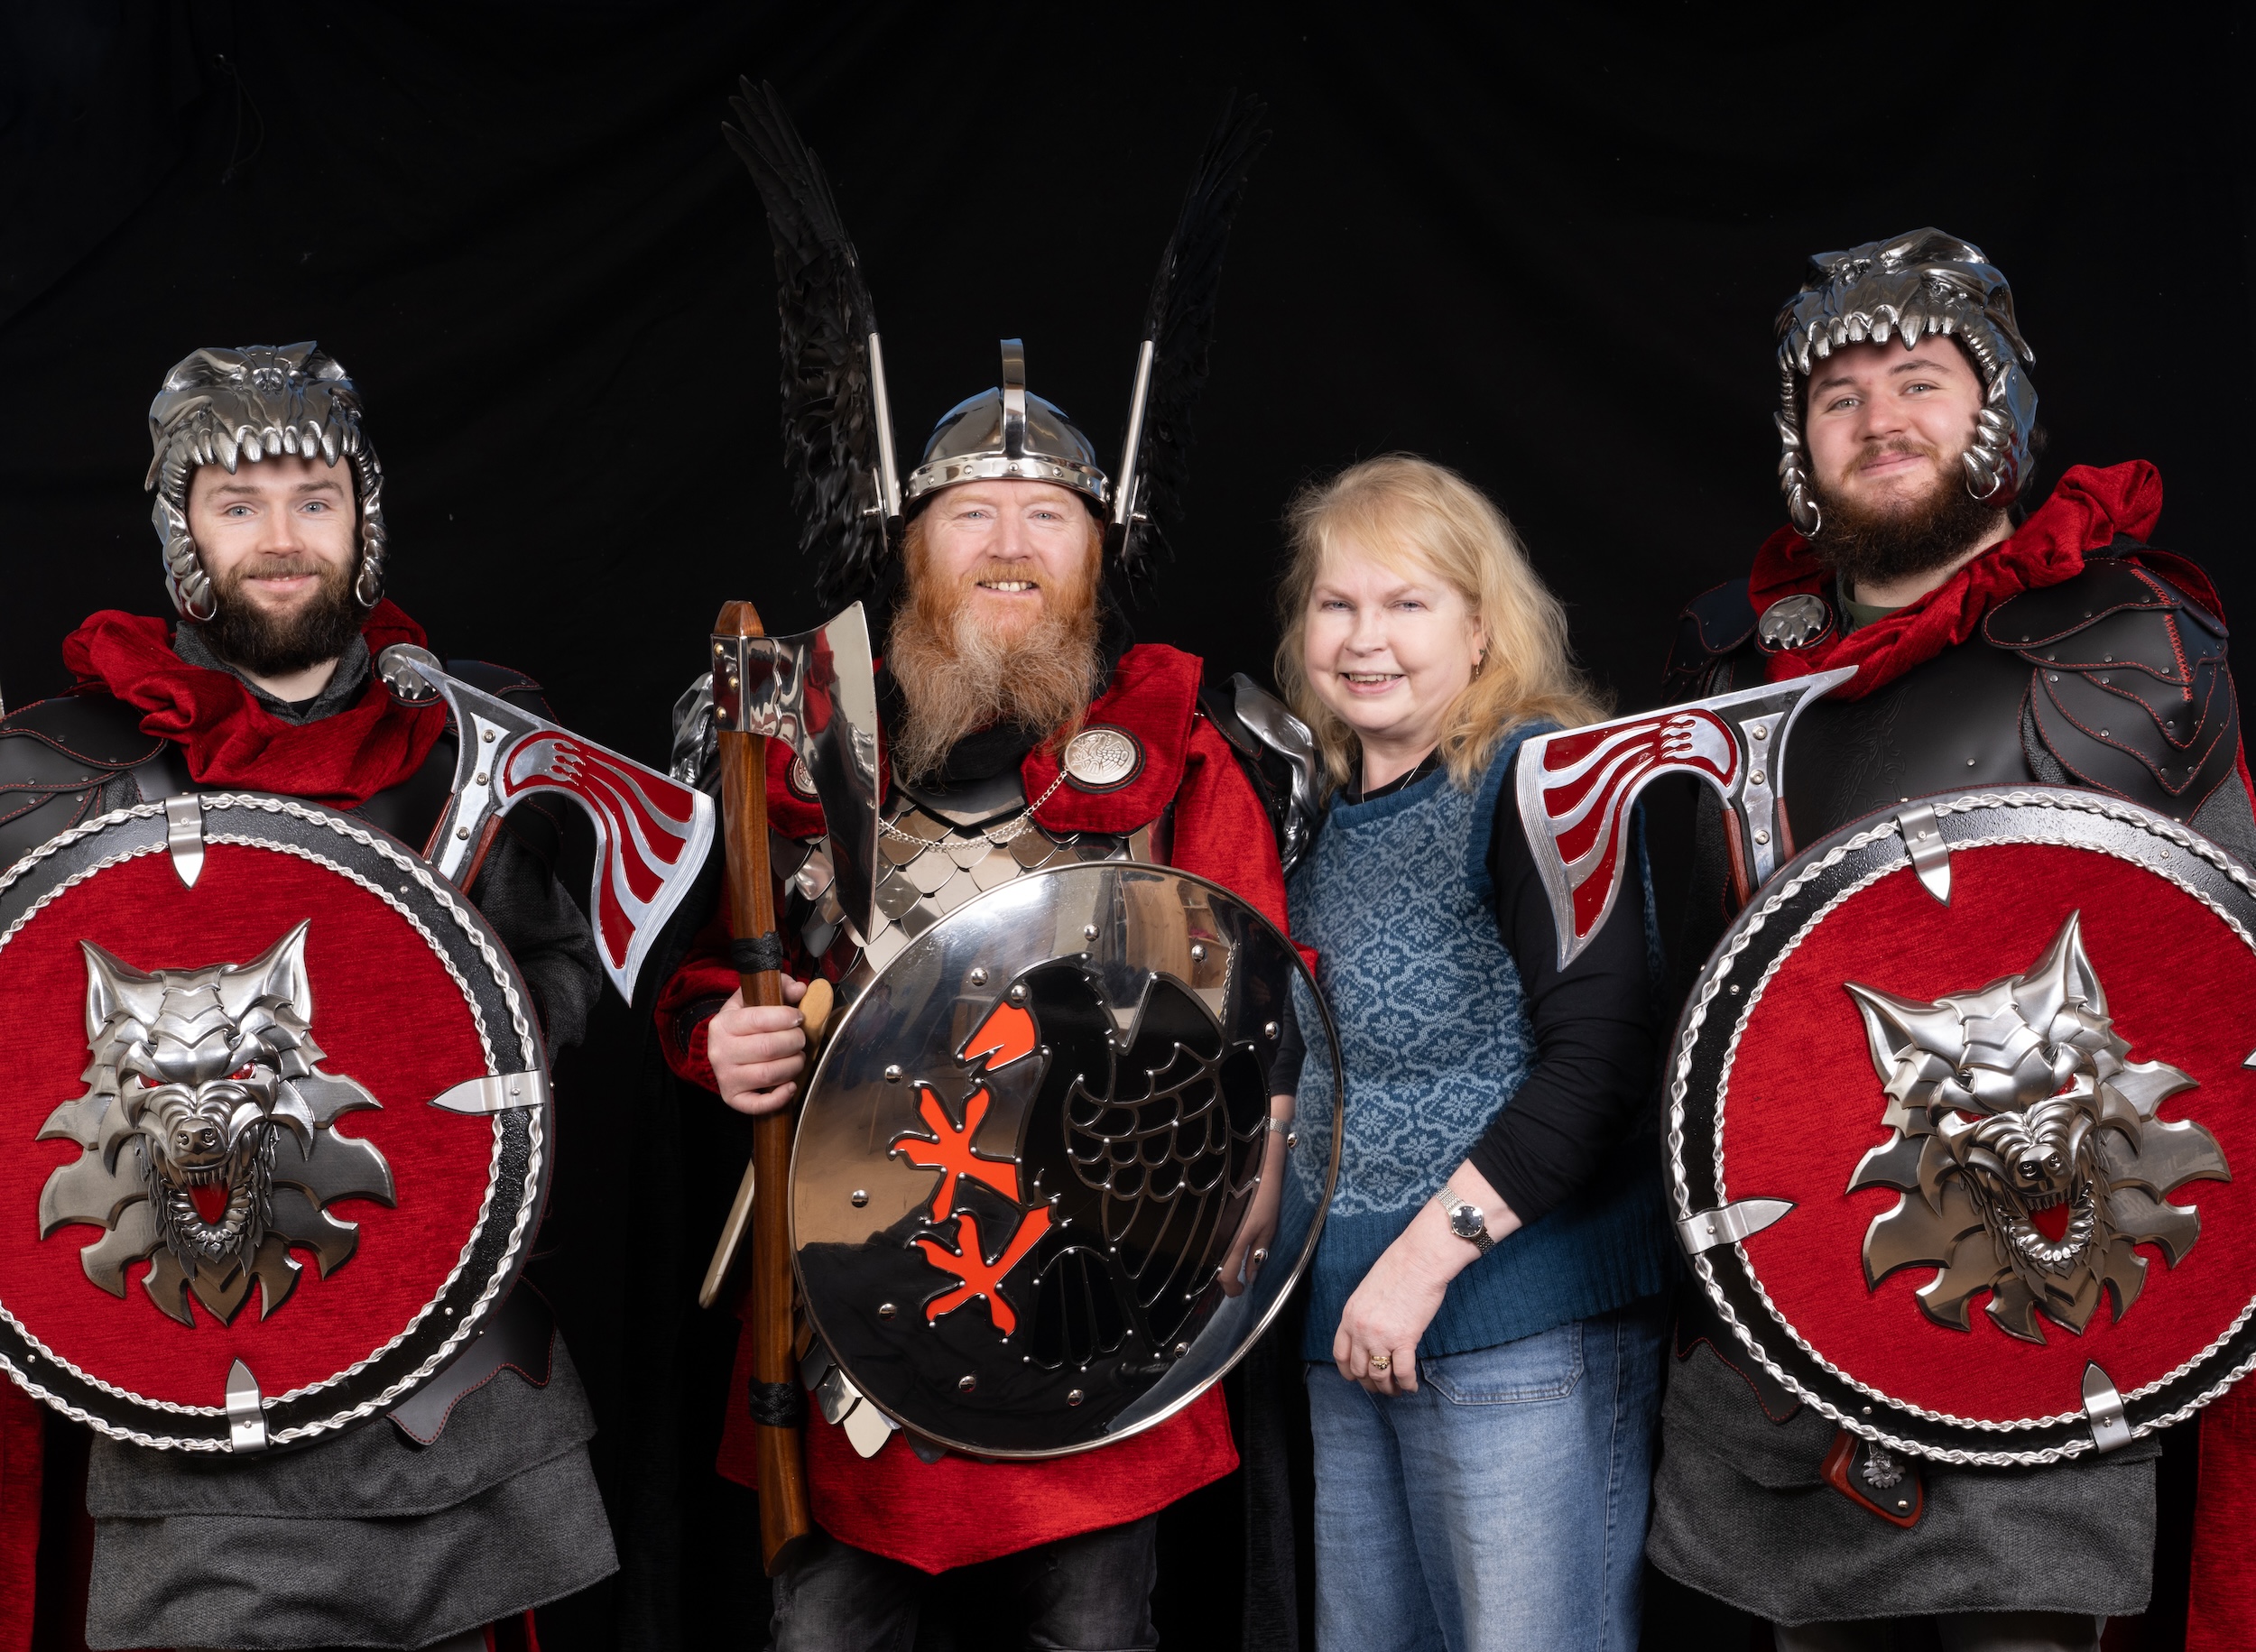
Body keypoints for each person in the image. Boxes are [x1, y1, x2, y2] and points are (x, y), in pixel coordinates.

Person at [651, 88, 1291, 1650]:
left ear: (1100, 553)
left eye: (1049, 517)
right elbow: (705, 966)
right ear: (908, 549)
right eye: (974, 516)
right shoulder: (792, 737)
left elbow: (1266, 1018)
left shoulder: (1186, 750)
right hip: (844, 1323)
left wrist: (1231, 1149)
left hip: (1094, 1321)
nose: (1010, 546)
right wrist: (713, 1038)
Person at [1644, 228, 2256, 1648]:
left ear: (1997, 411)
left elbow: (2225, 995)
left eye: (1920, 380)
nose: (1881, 420)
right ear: (1800, 440)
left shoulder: (2121, 644)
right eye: (1840, 396)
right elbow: (1693, 1011)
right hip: (1803, 1338)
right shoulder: (1729, 670)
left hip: (2046, 1315)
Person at [0, 343, 615, 1652]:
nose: (282, 540)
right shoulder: (59, 771)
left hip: (451, 1390)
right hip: (191, 1420)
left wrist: (451, 1053)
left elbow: (558, 972)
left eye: (314, 500)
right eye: (238, 504)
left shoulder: (475, 744)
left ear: (363, 517)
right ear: (182, 530)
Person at [1266, 455, 1678, 1651]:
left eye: (1409, 602)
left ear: (1484, 626)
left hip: (1512, 1322)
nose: (1365, 638)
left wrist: (1419, 1268)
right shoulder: (1319, 816)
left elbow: (1600, 1065)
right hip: (1349, 1329)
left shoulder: (1542, 781)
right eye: (1338, 603)